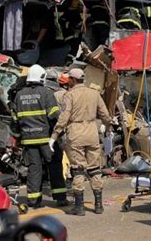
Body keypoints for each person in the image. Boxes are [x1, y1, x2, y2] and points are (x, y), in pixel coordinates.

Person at [49, 68, 112, 216]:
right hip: (92, 132)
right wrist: (107, 126)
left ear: (73, 80)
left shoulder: (69, 95)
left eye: (69, 78)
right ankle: (98, 205)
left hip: (75, 133)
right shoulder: (94, 93)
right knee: (95, 168)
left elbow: (64, 117)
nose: (68, 81)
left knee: (78, 169)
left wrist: (54, 135)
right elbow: (105, 114)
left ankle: (79, 207)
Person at [13, 64, 68, 208]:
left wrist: (19, 138)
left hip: (28, 140)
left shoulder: (19, 95)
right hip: (47, 139)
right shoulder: (46, 93)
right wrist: (59, 133)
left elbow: (16, 120)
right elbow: (54, 116)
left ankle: (33, 200)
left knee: (34, 169)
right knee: (54, 166)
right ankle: (61, 198)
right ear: (42, 77)